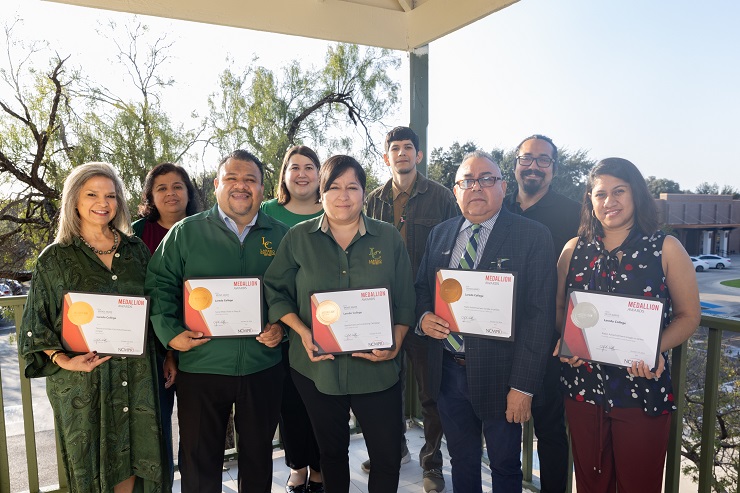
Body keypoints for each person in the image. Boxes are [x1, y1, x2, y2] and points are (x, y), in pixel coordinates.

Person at [264, 155, 416, 493]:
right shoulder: (298, 238)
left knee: (387, 457)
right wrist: (302, 333)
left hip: (377, 371)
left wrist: (396, 339)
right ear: (321, 192)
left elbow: (406, 299)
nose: (343, 195)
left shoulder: (388, 238)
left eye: (352, 187)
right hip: (317, 371)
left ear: (364, 193)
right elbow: (275, 291)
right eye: (334, 187)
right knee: (331, 454)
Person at [18, 162, 167, 493]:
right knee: (91, 463)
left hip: (136, 375)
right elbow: (34, 324)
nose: (103, 203)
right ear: (74, 200)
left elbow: (154, 309)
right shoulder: (54, 258)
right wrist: (64, 360)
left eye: (111, 195)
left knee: (133, 454)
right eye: (92, 194)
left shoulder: (136, 251)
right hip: (84, 382)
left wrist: (169, 355)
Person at [146, 150, 288, 493]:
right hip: (201, 367)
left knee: (257, 459)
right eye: (232, 179)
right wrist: (171, 335)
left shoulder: (282, 235)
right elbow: (158, 286)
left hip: (262, 366)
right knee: (198, 460)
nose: (241, 186)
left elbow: (294, 291)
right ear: (216, 184)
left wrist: (282, 330)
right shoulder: (185, 233)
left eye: (250, 180)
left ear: (262, 187)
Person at [556, 158, 700, 492]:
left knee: (640, 485)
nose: (610, 201)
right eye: (600, 194)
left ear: (636, 194)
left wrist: (654, 348)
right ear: (590, 202)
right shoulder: (573, 250)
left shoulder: (666, 247)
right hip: (583, 387)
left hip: (642, 387)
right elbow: (560, 310)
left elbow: (688, 316)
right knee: (591, 484)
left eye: (619, 191)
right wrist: (569, 344)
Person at [416, 151, 556, 493]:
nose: (476, 187)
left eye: (486, 179)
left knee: (505, 465)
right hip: (448, 371)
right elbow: (421, 288)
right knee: (460, 460)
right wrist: (423, 318)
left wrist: (522, 388)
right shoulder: (441, 234)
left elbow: (540, 317)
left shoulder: (533, 236)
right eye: (467, 181)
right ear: (455, 190)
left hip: (503, 376)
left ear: (503, 186)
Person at [364, 126, 458, 493]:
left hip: (424, 310)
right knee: (384, 387)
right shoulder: (372, 200)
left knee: (430, 392)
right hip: (380, 310)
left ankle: (432, 463)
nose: (401, 153)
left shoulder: (441, 198)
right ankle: (394, 448)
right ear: (386, 157)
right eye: (394, 148)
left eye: (408, 148)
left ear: (418, 155)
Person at [503, 134, 579, 493]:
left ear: (553, 168)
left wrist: (572, 332)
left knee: (550, 428)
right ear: (515, 164)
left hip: (550, 338)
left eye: (543, 160)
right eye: (527, 158)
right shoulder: (497, 205)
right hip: (499, 336)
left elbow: (583, 278)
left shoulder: (573, 212)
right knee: (500, 425)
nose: (533, 166)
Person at [260, 146, 324, 493]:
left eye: (310, 167)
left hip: (325, 328)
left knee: (324, 403)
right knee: (290, 405)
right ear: (284, 174)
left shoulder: (333, 210)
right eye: (294, 167)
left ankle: (320, 468)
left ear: (319, 175)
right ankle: (297, 466)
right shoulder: (265, 213)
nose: (302, 174)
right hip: (279, 330)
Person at [133, 162, 201, 483]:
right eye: (161, 188)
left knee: (196, 430)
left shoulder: (206, 231)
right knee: (154, 427)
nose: (170, 193)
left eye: (177, 186)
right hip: (147, 348)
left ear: (189, 192)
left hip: (197, 344)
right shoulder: (134, 234)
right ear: (150, 196)